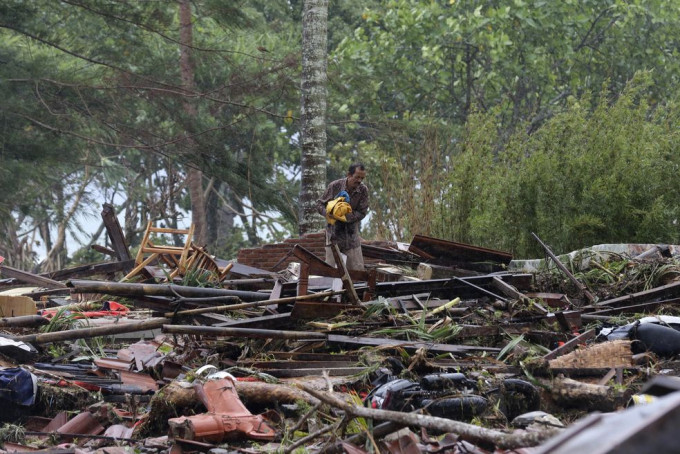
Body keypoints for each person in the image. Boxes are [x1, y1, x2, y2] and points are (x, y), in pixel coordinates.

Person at [316, 163, 369, 271]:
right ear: (349, 175)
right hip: (333, 238)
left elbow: (362, 212)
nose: (359, 180)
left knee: (358, 274)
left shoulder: (363, 190)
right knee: (330, 274)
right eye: (357, 177)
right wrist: (328, 213)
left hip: (352, 239)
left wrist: (345, 217)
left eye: (362, 178)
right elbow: (319, 204)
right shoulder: (335, 186)